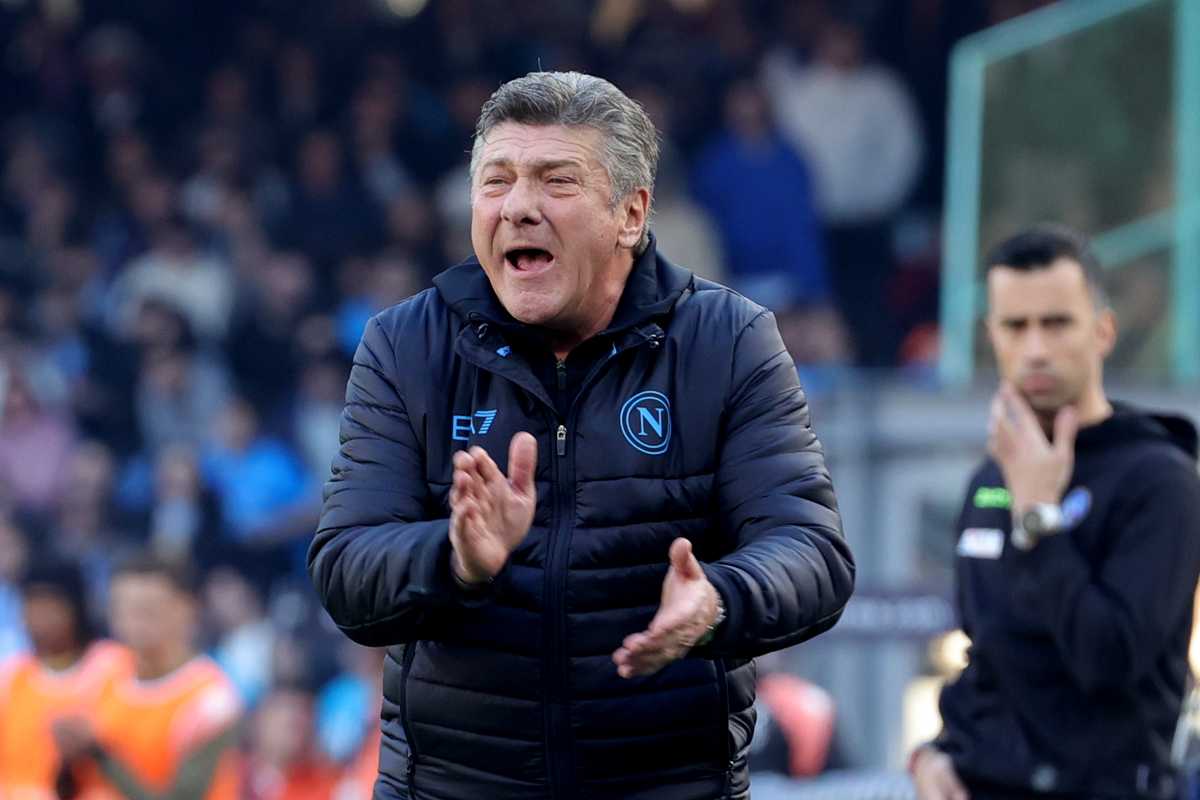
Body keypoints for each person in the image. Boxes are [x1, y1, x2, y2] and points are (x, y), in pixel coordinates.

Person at [308, 70, 856, 800]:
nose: (518, 207)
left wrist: (719, 600)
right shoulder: (407, 345)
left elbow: (813, 554)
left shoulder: (728, 341)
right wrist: (456, 559)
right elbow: (344, 568)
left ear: (631, 214)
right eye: (496, 181)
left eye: (556, 181)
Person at [911, 224, 1200, 800]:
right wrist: (935, 752)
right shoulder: (992, 477)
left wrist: (1039, 518)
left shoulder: (1159, 479)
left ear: (1103, 330)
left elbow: (1108, 660)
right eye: (1016, 326)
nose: (1036, 349)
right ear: (991, 335)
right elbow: (991, 655)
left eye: (1057, 323)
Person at [53, 555, 243, 800]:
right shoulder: (103, 671)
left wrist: (100, 754)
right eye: (122, 609)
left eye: (147, 610)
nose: (132, 622)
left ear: (186, 609)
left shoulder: (210, 700)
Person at [0, 561, 133, 799]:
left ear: (76, 607)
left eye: (51, 605)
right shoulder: (11, 676)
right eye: (32, 605)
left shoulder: (116, 667)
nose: (40, 618)